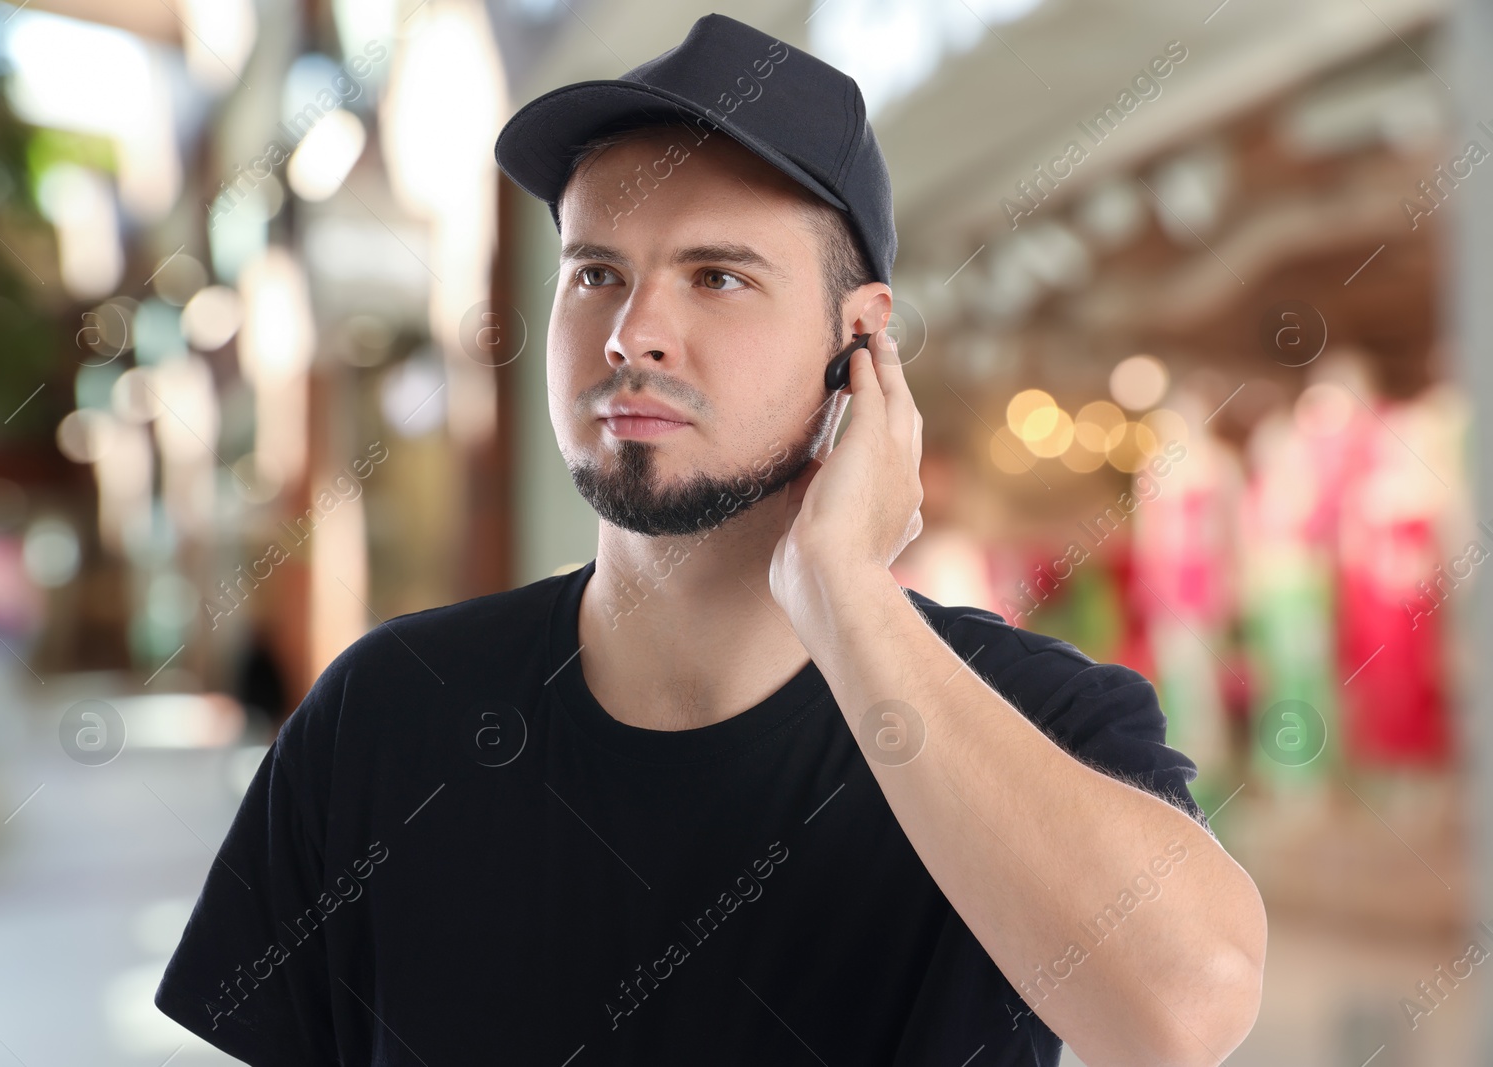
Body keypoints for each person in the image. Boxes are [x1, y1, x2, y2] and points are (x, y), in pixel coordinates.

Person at [156, 14, 1266, 1065]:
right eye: (597, 273)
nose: (633, 332)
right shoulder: (387, 712)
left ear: (860, 343)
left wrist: (842, 590)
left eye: (717, 276)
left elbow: (1184, 1011)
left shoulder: (1026, 716)